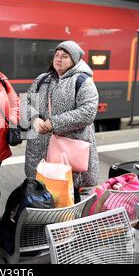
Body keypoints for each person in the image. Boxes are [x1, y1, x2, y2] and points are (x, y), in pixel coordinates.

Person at [21, 40, 99, 203]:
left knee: (68, 196)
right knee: (41, 196)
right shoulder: (42, 79)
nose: (58, 59)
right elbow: (25, 103)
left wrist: (54, 123)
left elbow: (88, 112)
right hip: (39, 151)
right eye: (57, 55)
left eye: (64, 56)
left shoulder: (83, 82)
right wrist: (34, 119)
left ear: (74, 60)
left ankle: (66, 227)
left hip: (67, 152)